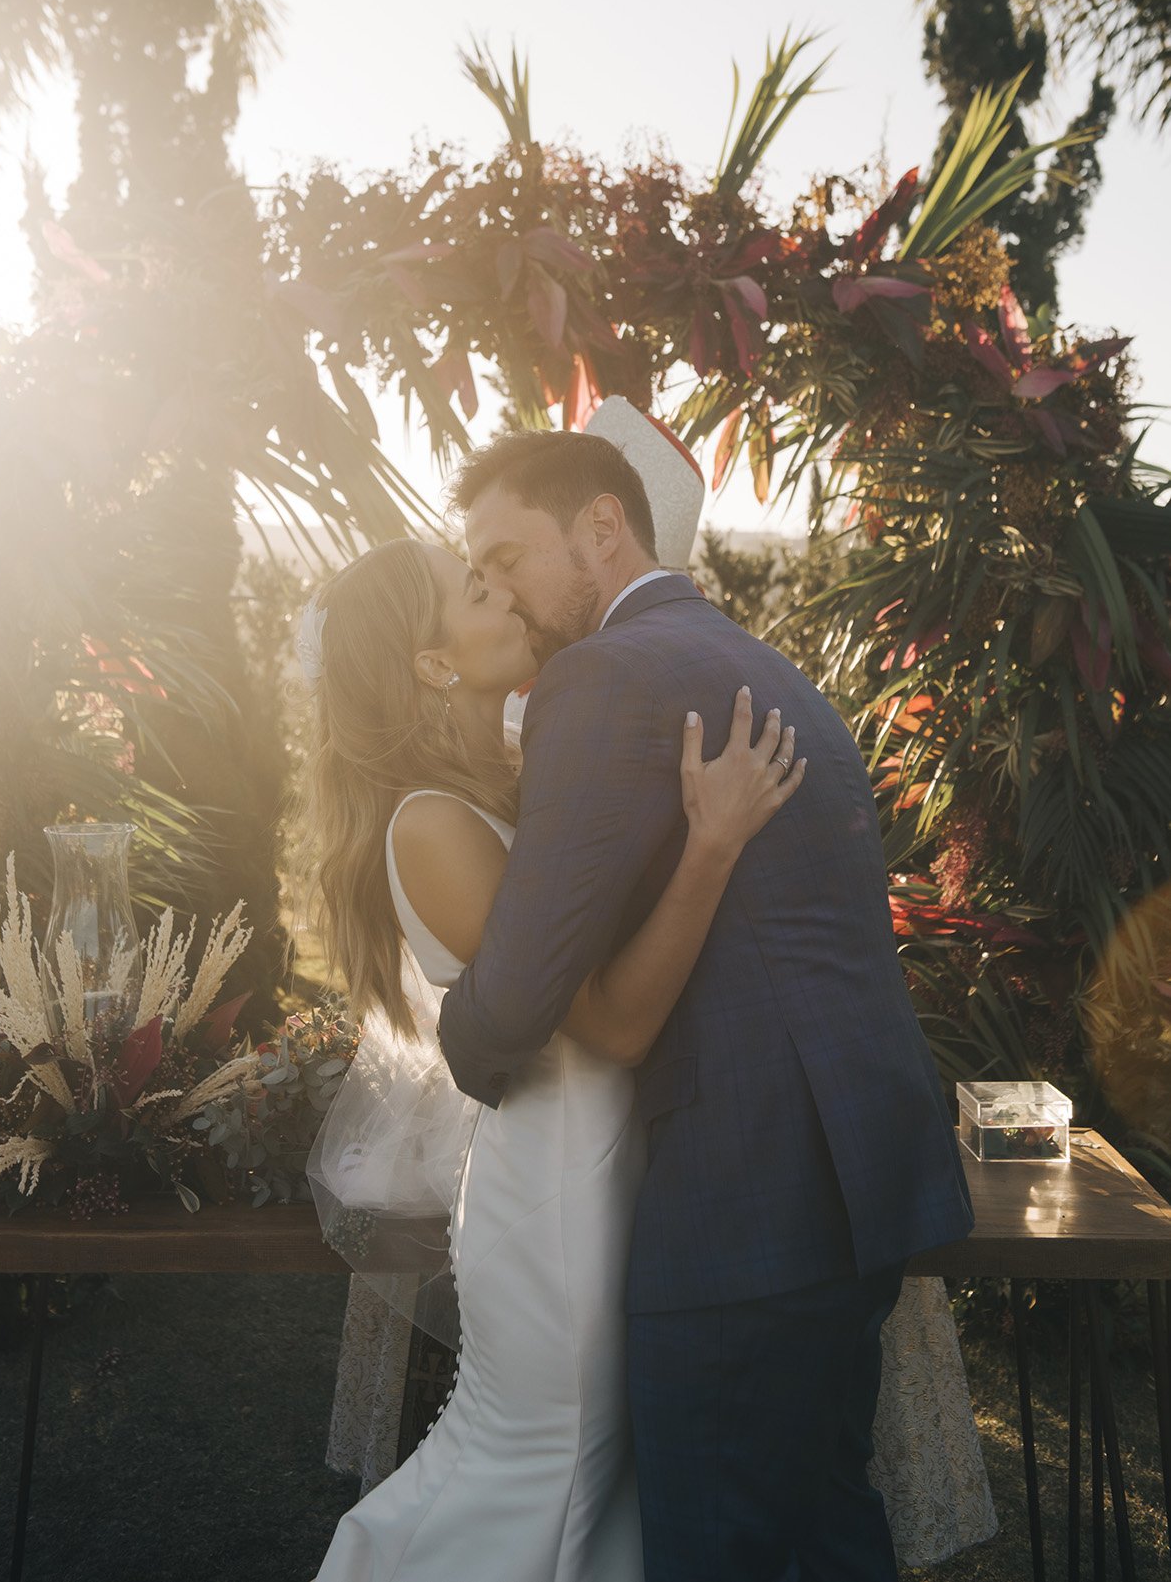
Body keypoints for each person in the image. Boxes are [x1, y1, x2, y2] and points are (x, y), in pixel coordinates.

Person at [436, 428, 978, 1581]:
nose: (500, 591)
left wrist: (454, 1031)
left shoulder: (602, 675)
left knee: (719, 1548)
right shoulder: (757, 661)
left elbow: (515, 999)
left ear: (600, 525)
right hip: (847, 1179)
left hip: (743, 1202)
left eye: (506, 557)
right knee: (821, 1531)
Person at [301, 533, 803, 1581]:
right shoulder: (431, 824)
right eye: (473, 589)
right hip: (554, 1203)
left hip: (616, 1171)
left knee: (597, 1478)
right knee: (546, 1465)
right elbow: (611, 1023)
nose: (504, 593)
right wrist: (712, 845)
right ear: (433, 662)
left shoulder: (519, 770)